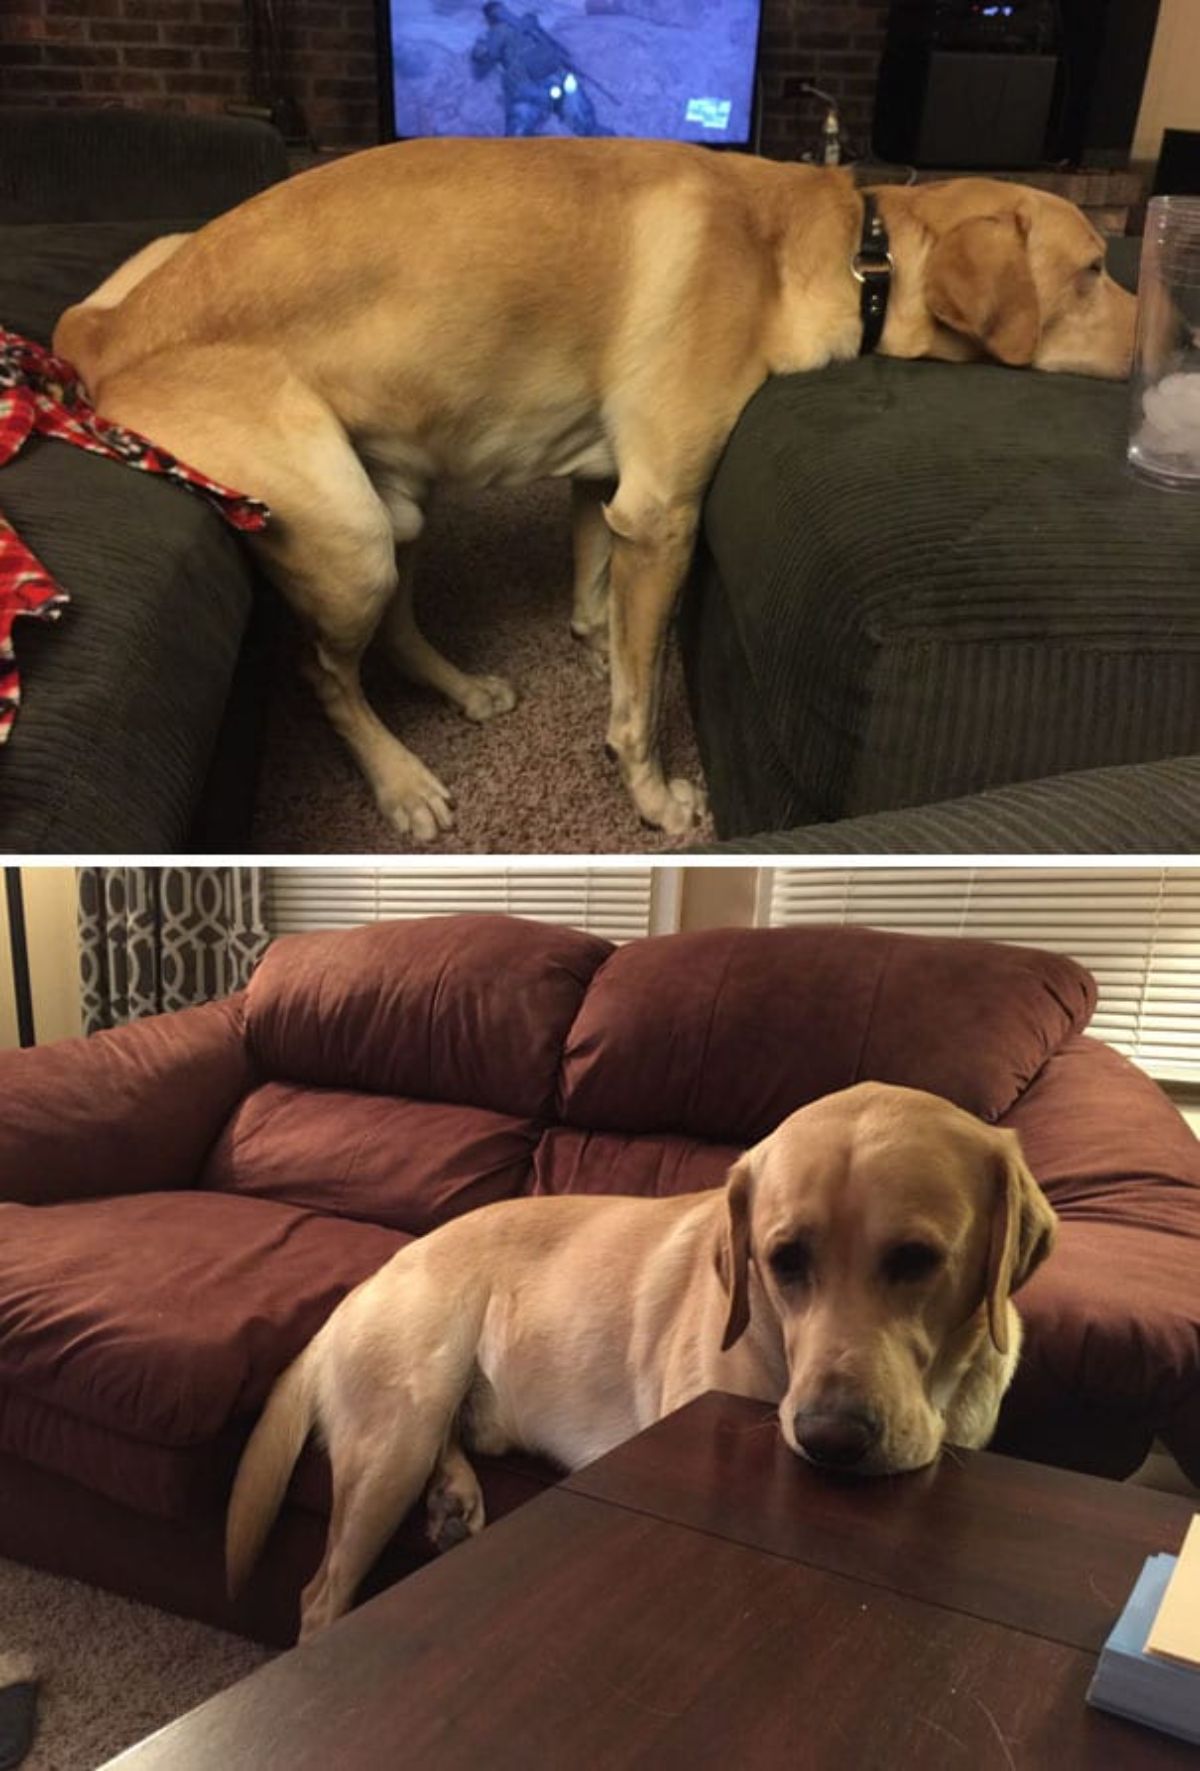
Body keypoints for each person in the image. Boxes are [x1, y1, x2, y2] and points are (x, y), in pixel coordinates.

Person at [471, 3, 614, 138]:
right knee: (584, 124)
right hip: (550, 80)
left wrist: (480, 50)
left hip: (531, 86)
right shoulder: (526, 24)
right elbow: (553, 46)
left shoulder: (502, 30)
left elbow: (487, 55)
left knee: (518, 133)